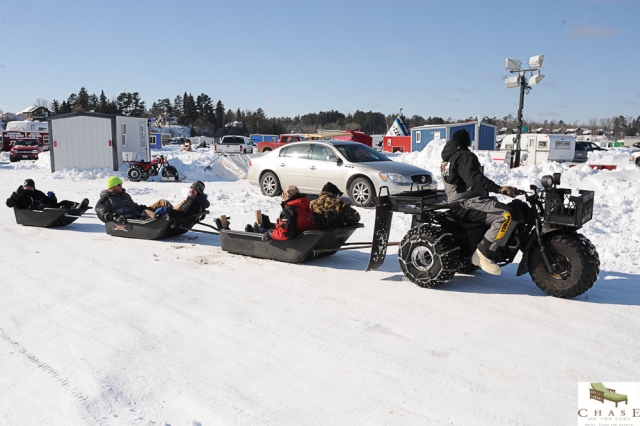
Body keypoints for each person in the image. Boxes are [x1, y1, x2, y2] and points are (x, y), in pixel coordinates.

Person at [440, 129, 518, 276]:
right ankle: (484, 255)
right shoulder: (463, 155)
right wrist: (498, 189)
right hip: (466, 202)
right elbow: (473, 179)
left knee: (501, 209)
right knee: (506, 214)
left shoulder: (447, 159)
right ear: (467, 142)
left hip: (461, 200)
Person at [6, 179, 89, 210]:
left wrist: (52, 198)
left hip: (46, 208)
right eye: (27, 187)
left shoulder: (38, 193)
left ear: (33, 187)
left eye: (30, 187)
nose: (29, 188)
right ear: (24, 187)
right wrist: (14, 197)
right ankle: (60, 210)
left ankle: (77, 206)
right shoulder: (20, 195)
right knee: (38, 205)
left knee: (64, 202)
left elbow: (51, 202)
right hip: (32, 213)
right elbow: (9, 204)